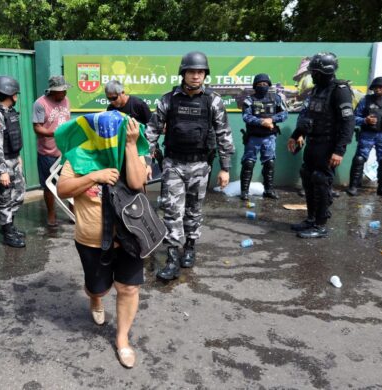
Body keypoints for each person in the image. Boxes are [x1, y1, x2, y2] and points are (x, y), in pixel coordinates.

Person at [57, 116, 147, 368]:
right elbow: (63, 189)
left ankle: (122, 339)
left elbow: (137, 183)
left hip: (129, 236)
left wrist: (130, 145)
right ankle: (95, 297)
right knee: (99, 288)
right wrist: (94, 176)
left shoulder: (132, 149)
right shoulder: (78, 156)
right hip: (91, 240)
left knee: (128, 288)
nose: (108, 139)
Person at [146, 51, 234, 280]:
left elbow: (224, 133)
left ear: (205, 74)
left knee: (193, 210)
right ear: (183, 73)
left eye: (200, 72)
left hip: (200, 166)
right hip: (174, 164)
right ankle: (172, 258)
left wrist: (225, 168)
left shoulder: (213, 100)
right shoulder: (168, 100)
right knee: (172, 210)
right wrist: (146, 161)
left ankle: (191, 247)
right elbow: (152, 132)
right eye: (192, 72)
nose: (196, 76)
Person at [288, 52, 355, 239]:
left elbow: (348, 122)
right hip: (313, 142)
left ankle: (320, 225)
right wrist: (296, 135)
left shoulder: (339, 90)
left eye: (315, 72)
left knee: (320, 181)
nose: (312, 75)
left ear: (326, 72)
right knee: (307, 177)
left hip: (328, 145)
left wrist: (339, 150)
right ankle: (310, 219)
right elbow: (309, 118)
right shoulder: (317, 89)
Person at [0, 76, 26, 247]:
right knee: (5, 199)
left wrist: (17, 156)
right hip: (3, 163)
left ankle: (9, 225)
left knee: (19, 195)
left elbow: (11, 139)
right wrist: (2, 171)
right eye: (15, 93)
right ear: (10, 94)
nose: (16, 96)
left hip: (13, 160)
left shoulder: (8, 113)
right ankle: (7, 231)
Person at [240, 73, 288, 200]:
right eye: (260, 84)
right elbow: (246, 117)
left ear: (269, 85)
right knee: (248, 163)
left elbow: (284, 114)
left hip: (269, 137)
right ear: (255, 86)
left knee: (269, 163)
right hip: (253, 137)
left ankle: (268, 190)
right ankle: (244, 191)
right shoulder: (249, 100)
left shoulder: (276, 98)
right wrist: (261, 122)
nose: (263, 86)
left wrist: (271, 119)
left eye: (265, 84)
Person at [32, 75, 72, 227]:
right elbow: (37, 128)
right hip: (47, 151)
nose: (64, 94)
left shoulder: (66, 101)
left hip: (66, 150)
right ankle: (51, 214)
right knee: (49, 185)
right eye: (61, 91)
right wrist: (54, 133)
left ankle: (73, 213)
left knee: (71, 180)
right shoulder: (40, 104)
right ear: (53, 91)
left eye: (65, 90)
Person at [346, 76, 382, 196]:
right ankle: (353, 186)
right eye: (376, 87)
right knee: (359, 159)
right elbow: (354, 117)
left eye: (381, 87)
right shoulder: (366, 100)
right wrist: (365, 120)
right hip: (368, 134)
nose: (378, 89)